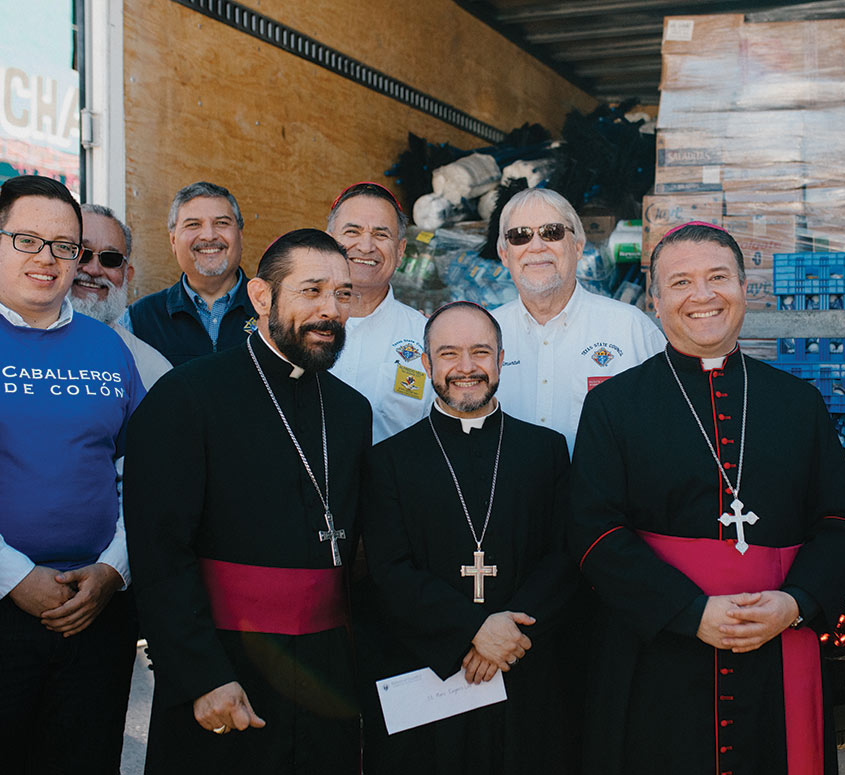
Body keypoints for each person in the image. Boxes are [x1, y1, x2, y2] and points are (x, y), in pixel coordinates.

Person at [570, 222, 845, 775]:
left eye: (718, 277)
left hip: (778, 641)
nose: (702, 296)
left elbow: (841, 518)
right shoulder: (614, 406)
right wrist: (689, 612)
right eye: (680, 282)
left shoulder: (796, 402)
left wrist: (797, 602)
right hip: (658, 649)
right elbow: (593, 531)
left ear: (744, 289)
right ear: (655, 301)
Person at [124, 228, 371, 774]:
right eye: (312, 291)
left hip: (327, 670)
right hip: (226, 665)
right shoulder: (189, 396)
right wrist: (201, 674)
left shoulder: (351, 411)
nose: (330, 310)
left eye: (343, 294)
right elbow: (159, 553)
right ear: (262, 297)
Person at [361, 301, 579, 775]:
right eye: (448, 354)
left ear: (501, 360)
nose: (465, 368)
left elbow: (566, 556)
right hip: (431, 673)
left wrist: (511, 634)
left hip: (525, 671)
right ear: (426, 364)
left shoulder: (546, 451)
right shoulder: (390, 461)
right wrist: (471, 630)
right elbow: (388, 571)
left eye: (480, 352)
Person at [0, 175, 145, 773]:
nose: (48, 258)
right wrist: (14, 577)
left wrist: (114, 569)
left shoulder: (108, 348)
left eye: (65, 245)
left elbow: (143, 473)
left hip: (95, 614)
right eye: (27, 239)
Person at [491, 187, 665, 452]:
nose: (536, 247)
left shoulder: (631, 329)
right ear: (505, 255)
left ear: (578, 247)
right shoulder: (484, 334)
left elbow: (663, 430)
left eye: (552, 232)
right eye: (520, 236)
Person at [325, 181, 432, 444]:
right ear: (328, 241)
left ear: (400, 251)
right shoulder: (294, 327)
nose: (366, 246)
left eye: (381, 235)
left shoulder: (426, 337)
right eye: (352, 231)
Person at [123, 181, 257, 366]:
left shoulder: (274, 309)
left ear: (240, 235)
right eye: (193, 224)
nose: (209, 236)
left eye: (222, 223)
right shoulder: (138, 320)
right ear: (173, 241)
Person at [72, 203, 172, 388]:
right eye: (82, 253)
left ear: (128, 275)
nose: (94, 270)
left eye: (111, 259)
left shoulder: (151, 369)